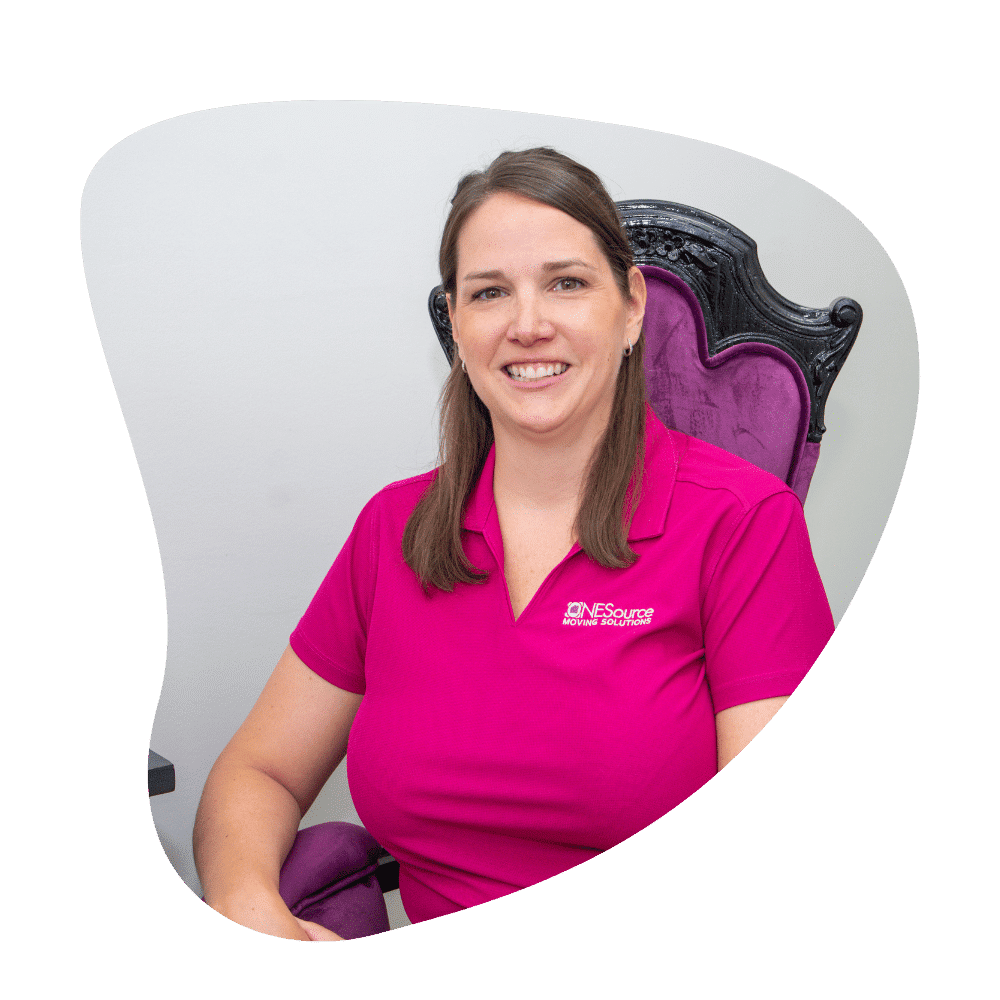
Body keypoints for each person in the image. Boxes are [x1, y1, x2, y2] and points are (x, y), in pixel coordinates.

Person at [193, 148, 834, 941]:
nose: (528, 325)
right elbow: (258, 772)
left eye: (567, 283)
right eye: (490, 292)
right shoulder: (395, 528)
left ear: (632, 306)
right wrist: (250, 909)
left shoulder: (745, 523)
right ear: (457, 325)